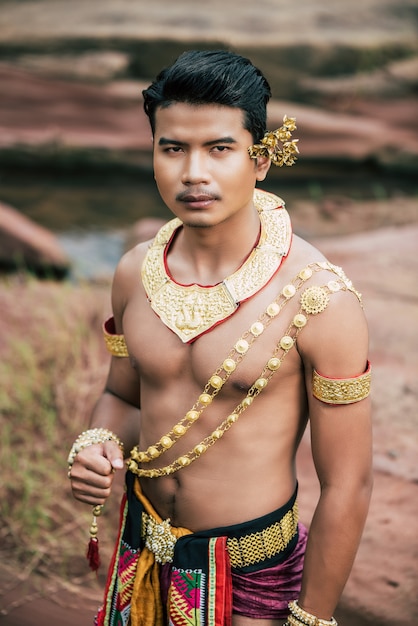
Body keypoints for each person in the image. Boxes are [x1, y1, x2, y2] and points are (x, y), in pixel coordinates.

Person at [68, 50, 373, 626]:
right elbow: (124, 398)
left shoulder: (320, 298)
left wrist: (312, 618)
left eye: (220, 148)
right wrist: (97, 441)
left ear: (261, 160)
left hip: (254, 578)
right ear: (153, 153)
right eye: (173, 148)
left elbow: (348, 483)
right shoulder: (135, 271)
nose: (193, 173)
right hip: (139, 557)